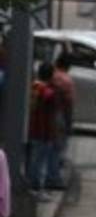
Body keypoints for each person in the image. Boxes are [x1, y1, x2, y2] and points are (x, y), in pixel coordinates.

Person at [27, 62, 60, 198]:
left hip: (32, 129)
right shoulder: (49, 93)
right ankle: (37, 189)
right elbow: (50, 116)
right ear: (51, 75)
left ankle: (32, 186)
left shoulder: (33, 87)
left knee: (33, 160)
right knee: (41, 162)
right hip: (44, 132)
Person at [47, 52, 74, 190]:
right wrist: (69, 123)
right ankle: (54, 178)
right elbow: (69, 104)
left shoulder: (51, 75)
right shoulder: (66, 80)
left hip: (46, 115)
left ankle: (47, 176)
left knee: (47, 148)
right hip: (60, 115)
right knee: (57, 149)